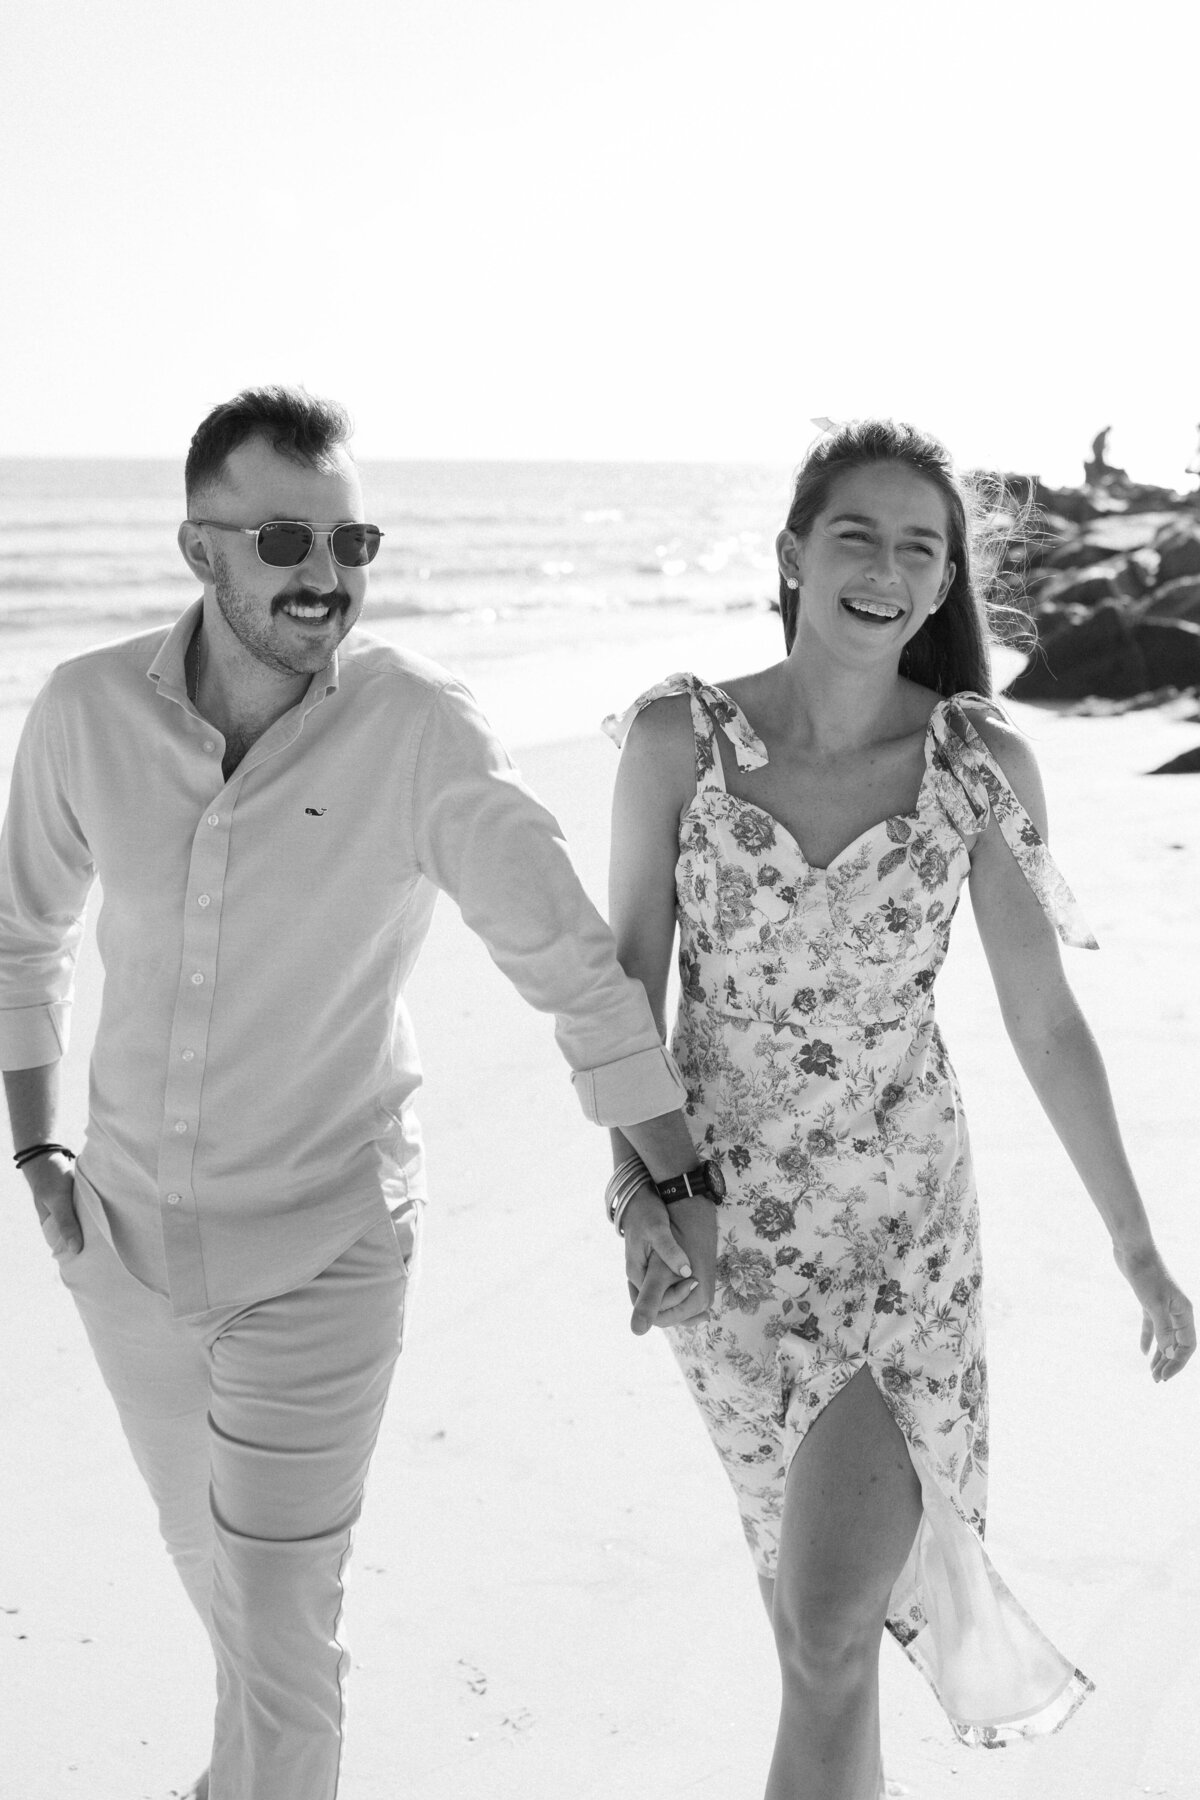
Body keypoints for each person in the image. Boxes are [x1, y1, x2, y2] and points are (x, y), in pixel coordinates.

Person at [0, 385, 713, 1800]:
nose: (326, 575)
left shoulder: (419, 730)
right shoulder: (84, 710)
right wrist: (40, 1155)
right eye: (284, 539)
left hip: (324, 1247)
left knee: (274, 1622)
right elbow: (25, 937)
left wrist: (677, 1177)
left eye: (352, 539)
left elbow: (568, 963)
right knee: (235, 1608)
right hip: (124, 1251)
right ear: (200, 550)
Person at [603, 418, 1195, 1800]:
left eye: (917, 548)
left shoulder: (983, 771)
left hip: (900, 1244)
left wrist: (1136, 1243)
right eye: (854, 533)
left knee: (822, 1635)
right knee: (819, 1646)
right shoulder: (675, 739)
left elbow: (1044, 1020)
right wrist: (641, 1188)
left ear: (942, 590)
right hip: (718, 1237)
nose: (882, 566)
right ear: (792, 555)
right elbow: (625, 987)